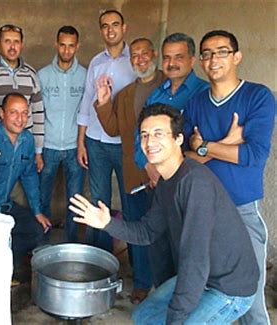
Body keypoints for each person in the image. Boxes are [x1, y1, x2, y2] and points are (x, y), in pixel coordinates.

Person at [69, 103, 259, 324]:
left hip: (228, 288)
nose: (150, 142)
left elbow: (194, 261)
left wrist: (176, 318)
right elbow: (147, 232)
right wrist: (106, 222)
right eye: (145, 135)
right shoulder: (166, 181)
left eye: (159, 134)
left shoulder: (194, 183)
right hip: (203, 277)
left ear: (178, 139)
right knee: (143, 316)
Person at [184, 30, 275, 325]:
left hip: (241, 209)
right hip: (202, 209)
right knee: (204, 291)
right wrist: (224, 143)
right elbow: (184, 157)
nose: (214, 59)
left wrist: (205, 146)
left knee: (250, 298)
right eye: (207, 53)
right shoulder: (197, 102)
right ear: (199, 61)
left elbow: (253, 155)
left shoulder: (257, 96)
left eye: (222, 51)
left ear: (237, 57)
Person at [133, 33, 208, 287]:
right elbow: (138, 136)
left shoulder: (203, 94)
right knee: (158, 246)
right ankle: (163, 300)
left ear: (192, 59)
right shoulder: (157, 94)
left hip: (187, 188)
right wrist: (149, 166)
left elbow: (203, 148)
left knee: (185, 249)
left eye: (179, 57)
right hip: (158, 186)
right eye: (167, 57)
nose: (172, 63)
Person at [94, 37, 165, 304]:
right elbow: (113, 129)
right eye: (134, 55)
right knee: (137, 230)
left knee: (166, 231)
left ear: (154, 54)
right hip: (135, 174)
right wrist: (103, 102)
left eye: (144, 53)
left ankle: (168, 281)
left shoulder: (167, 86)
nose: (139, 59)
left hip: (165, 176)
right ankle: (143, 282)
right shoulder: (125, 95)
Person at [76, 9, 136, 252]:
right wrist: (81, 142)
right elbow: (86, 102)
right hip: (95, 142)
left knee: (131, 203)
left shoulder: (135, 60)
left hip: (125, 144)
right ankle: (99, 259)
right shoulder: (96, 62)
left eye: (115, 24)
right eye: (105, 26)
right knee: (98, 202)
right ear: (101, 30)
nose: (110, 30)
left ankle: (139, 271)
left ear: (124, 28)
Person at [0, 93, 51, 281]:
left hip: (5, 205)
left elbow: (29, 177)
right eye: (14, 112)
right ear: (1, 114)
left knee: (37, 230)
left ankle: (6, 264)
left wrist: (37, 211)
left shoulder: (27, 140)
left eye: (25, 113)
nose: (20, 119)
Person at [38, 25, 86, 242]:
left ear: (77, 47)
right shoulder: (43, 75)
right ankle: (42, 243)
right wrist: (38, 149)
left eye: (71, 46)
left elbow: (87, 113)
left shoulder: (85, 75)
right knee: (42, 197)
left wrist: (83, 144)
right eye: (62, 45)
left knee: (75, 200)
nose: (66, 51)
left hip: (75, 147)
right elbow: (37, 113)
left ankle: (72, 243)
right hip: (47, 146)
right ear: (56, 44)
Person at [0, 24, 45, 171]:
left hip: (23, 146)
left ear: (22, 44)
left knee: (22, 188)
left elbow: (38, 115)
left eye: (16, 42)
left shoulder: (31, 74)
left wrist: (38, 151)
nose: (12, 47)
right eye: (7, 41)